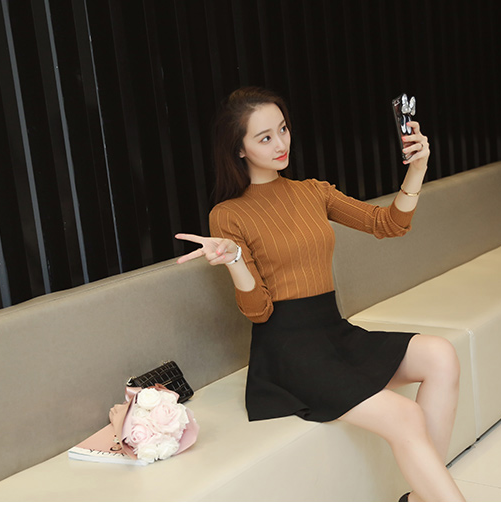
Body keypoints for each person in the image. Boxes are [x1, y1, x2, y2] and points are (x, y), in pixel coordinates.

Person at [176, 87, 465, 502]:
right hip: (288, 352)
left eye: (283, 129)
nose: (280, 143)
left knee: (441, 355)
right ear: (239, 149)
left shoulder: (313, 191)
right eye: (264, 138)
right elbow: (258, 312)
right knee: (405, 415)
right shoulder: (228, 214)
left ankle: (422, 501)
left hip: (332, 333)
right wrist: (236, 260)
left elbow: (389, 224)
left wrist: (417, 168)